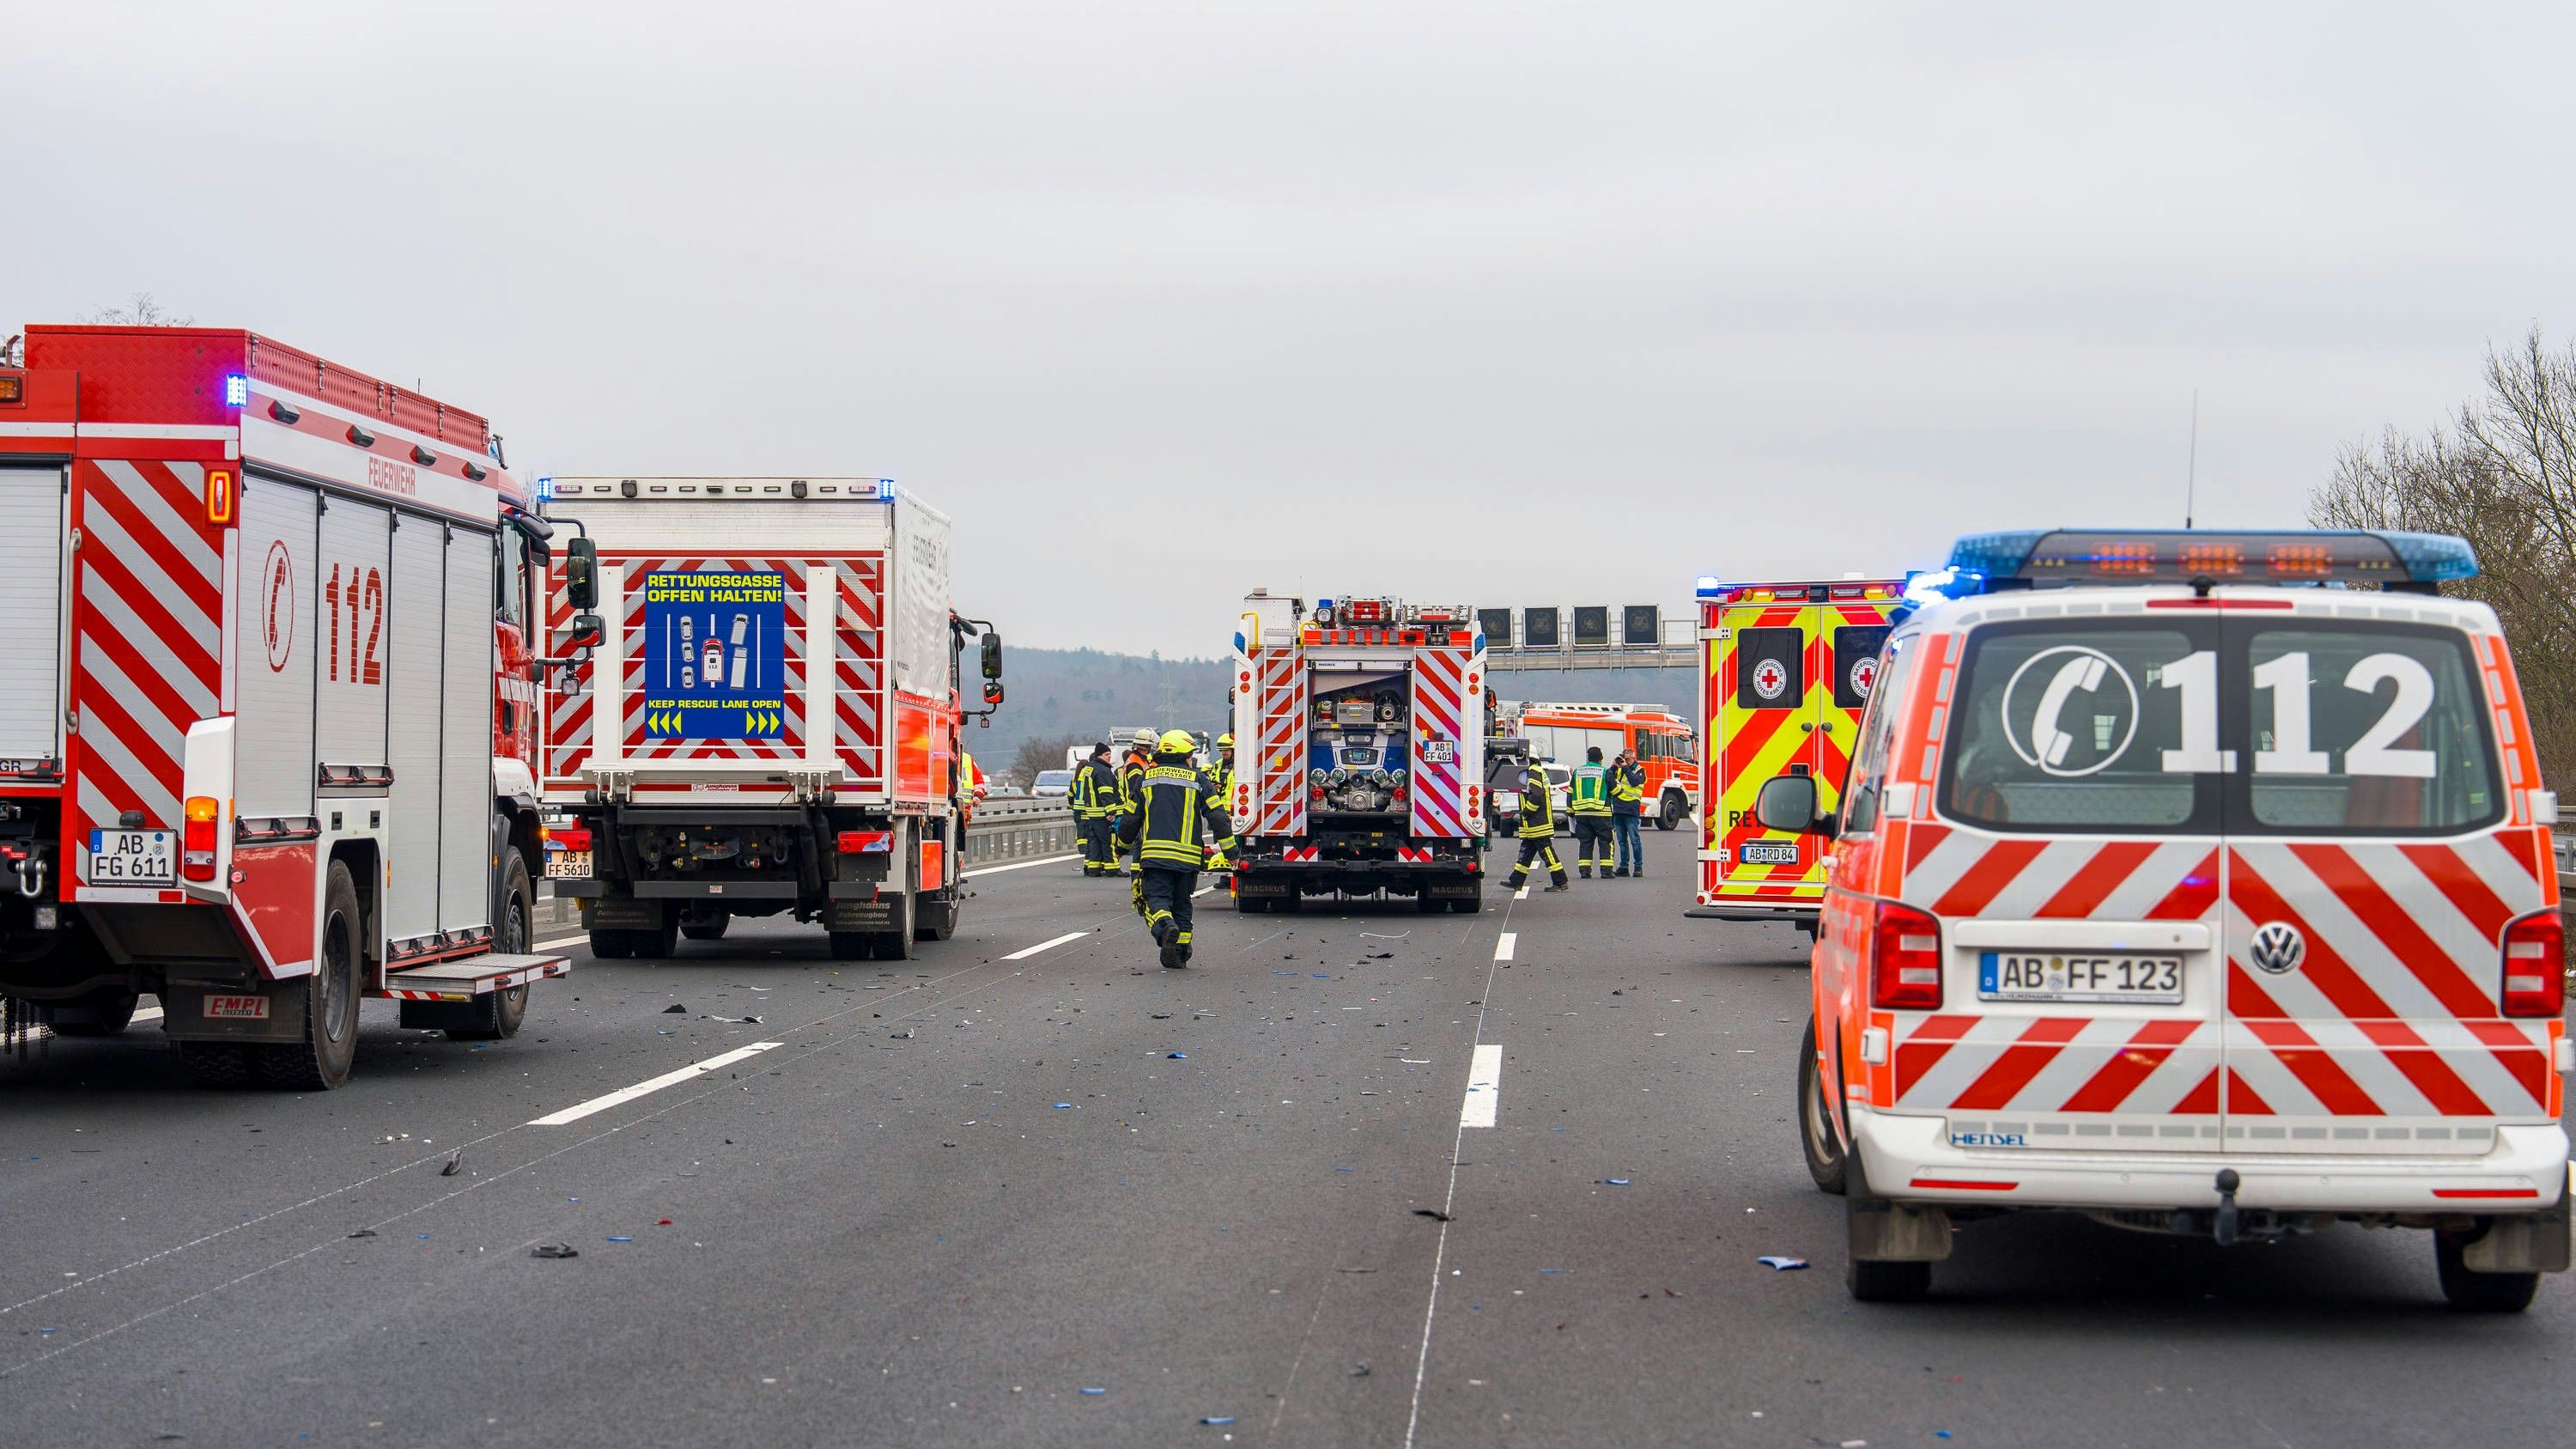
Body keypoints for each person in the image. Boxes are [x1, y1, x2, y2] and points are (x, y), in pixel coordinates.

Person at [1115, 729, 1238, 968]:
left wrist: (1122, 847)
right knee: (1182, 903)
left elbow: (1131, 817)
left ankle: (1165, 927)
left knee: (1157, 899)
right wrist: (1231, 853)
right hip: (1188, 859)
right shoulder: (1198, 779)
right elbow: (1218, 817)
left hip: (1155, 857)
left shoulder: (1146, 779)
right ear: (1184, 755)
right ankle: (1180, 952)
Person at [1500, 759, 1571, 892]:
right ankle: (1516, 880)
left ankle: (1560, 881)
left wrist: (1527, 812)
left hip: (1538, 822)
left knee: (1547, 852)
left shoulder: (1533, 772)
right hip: (1533, 822)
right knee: (1526, 852)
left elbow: (1536, 795)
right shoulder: (1533, 771)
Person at [1070, 741, 1121, 876]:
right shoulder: (1102, 770)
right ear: (1100, 755)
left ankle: (1093, 869)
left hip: (1091, 811)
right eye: (1107, 754)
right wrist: (1111, 811)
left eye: (1110, 754)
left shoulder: (1088, 768)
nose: (1109, 757)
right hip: (1101, 812)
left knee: (1095, 841)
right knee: (1107, 841)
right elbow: (1106, 792)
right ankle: (1112, 869)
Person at [1567, 746, 1613, 879]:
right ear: (1601, 759)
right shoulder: (1605, 772)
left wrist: (1570, 811)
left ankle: (1585, 871)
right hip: (1601, 814)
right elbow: (1615, 791)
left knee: (1585, 843)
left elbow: (1570, 793)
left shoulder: (1577, 772)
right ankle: (1606, 872)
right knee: (1605, 842)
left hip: (1582, 815)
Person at [1115, 728, 1156, 875]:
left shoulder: (1141, 760)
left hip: (1141, 806)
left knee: (1141, 842)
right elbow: (1136, 787)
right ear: (1148, 746)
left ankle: (1139, 873)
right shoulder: (1135, 763)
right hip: (1139, 807)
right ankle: (1137, 874)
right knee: (1139, 842)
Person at [1608, 750, 1647, 878]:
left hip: (1631, 810)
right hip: (1618, 809)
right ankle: (1624, 867)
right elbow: (1608, 778)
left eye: (1627, 759)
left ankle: (1638, 867)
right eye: (1623, 759)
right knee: (1622, 841)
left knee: (1635, 840)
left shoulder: (1640, 770)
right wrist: (1614, 766)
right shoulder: (1619, 769)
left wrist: (1625, 768)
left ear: (1633, 758)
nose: (1625, 761)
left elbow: (1634, 781)